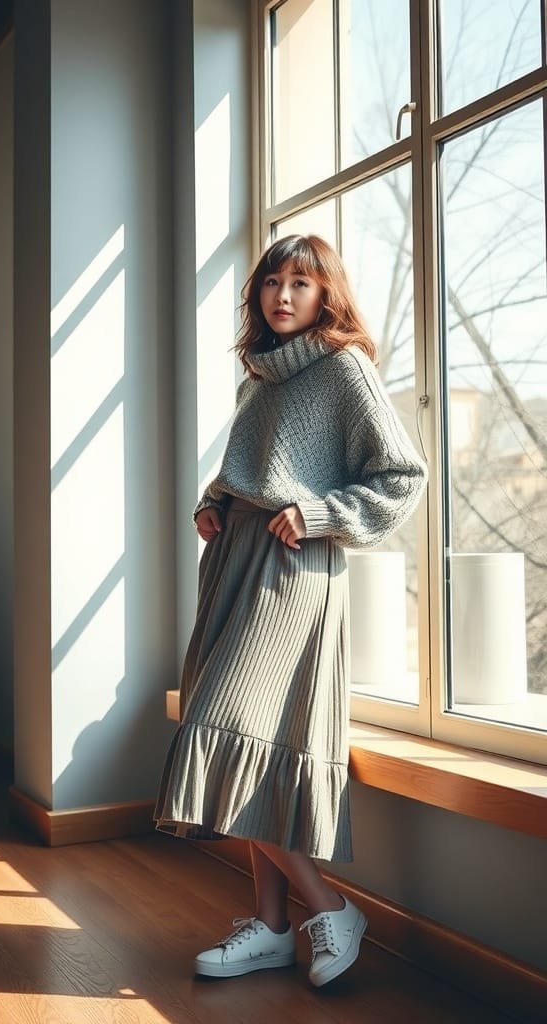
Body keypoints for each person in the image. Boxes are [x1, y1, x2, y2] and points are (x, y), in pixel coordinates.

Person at [154, 234, 427, 987]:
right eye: (272, 281)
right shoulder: (259, 380)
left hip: (294, 569)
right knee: (257, 745)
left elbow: (403, 476)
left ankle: (327, 907)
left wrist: (321, 514)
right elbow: (250, 470)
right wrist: (212, 504)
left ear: (325, 294)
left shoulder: (346, 369)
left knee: (222, 722)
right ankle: (273, 929)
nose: (282, 295)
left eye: (300, 283)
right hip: (235, 560)